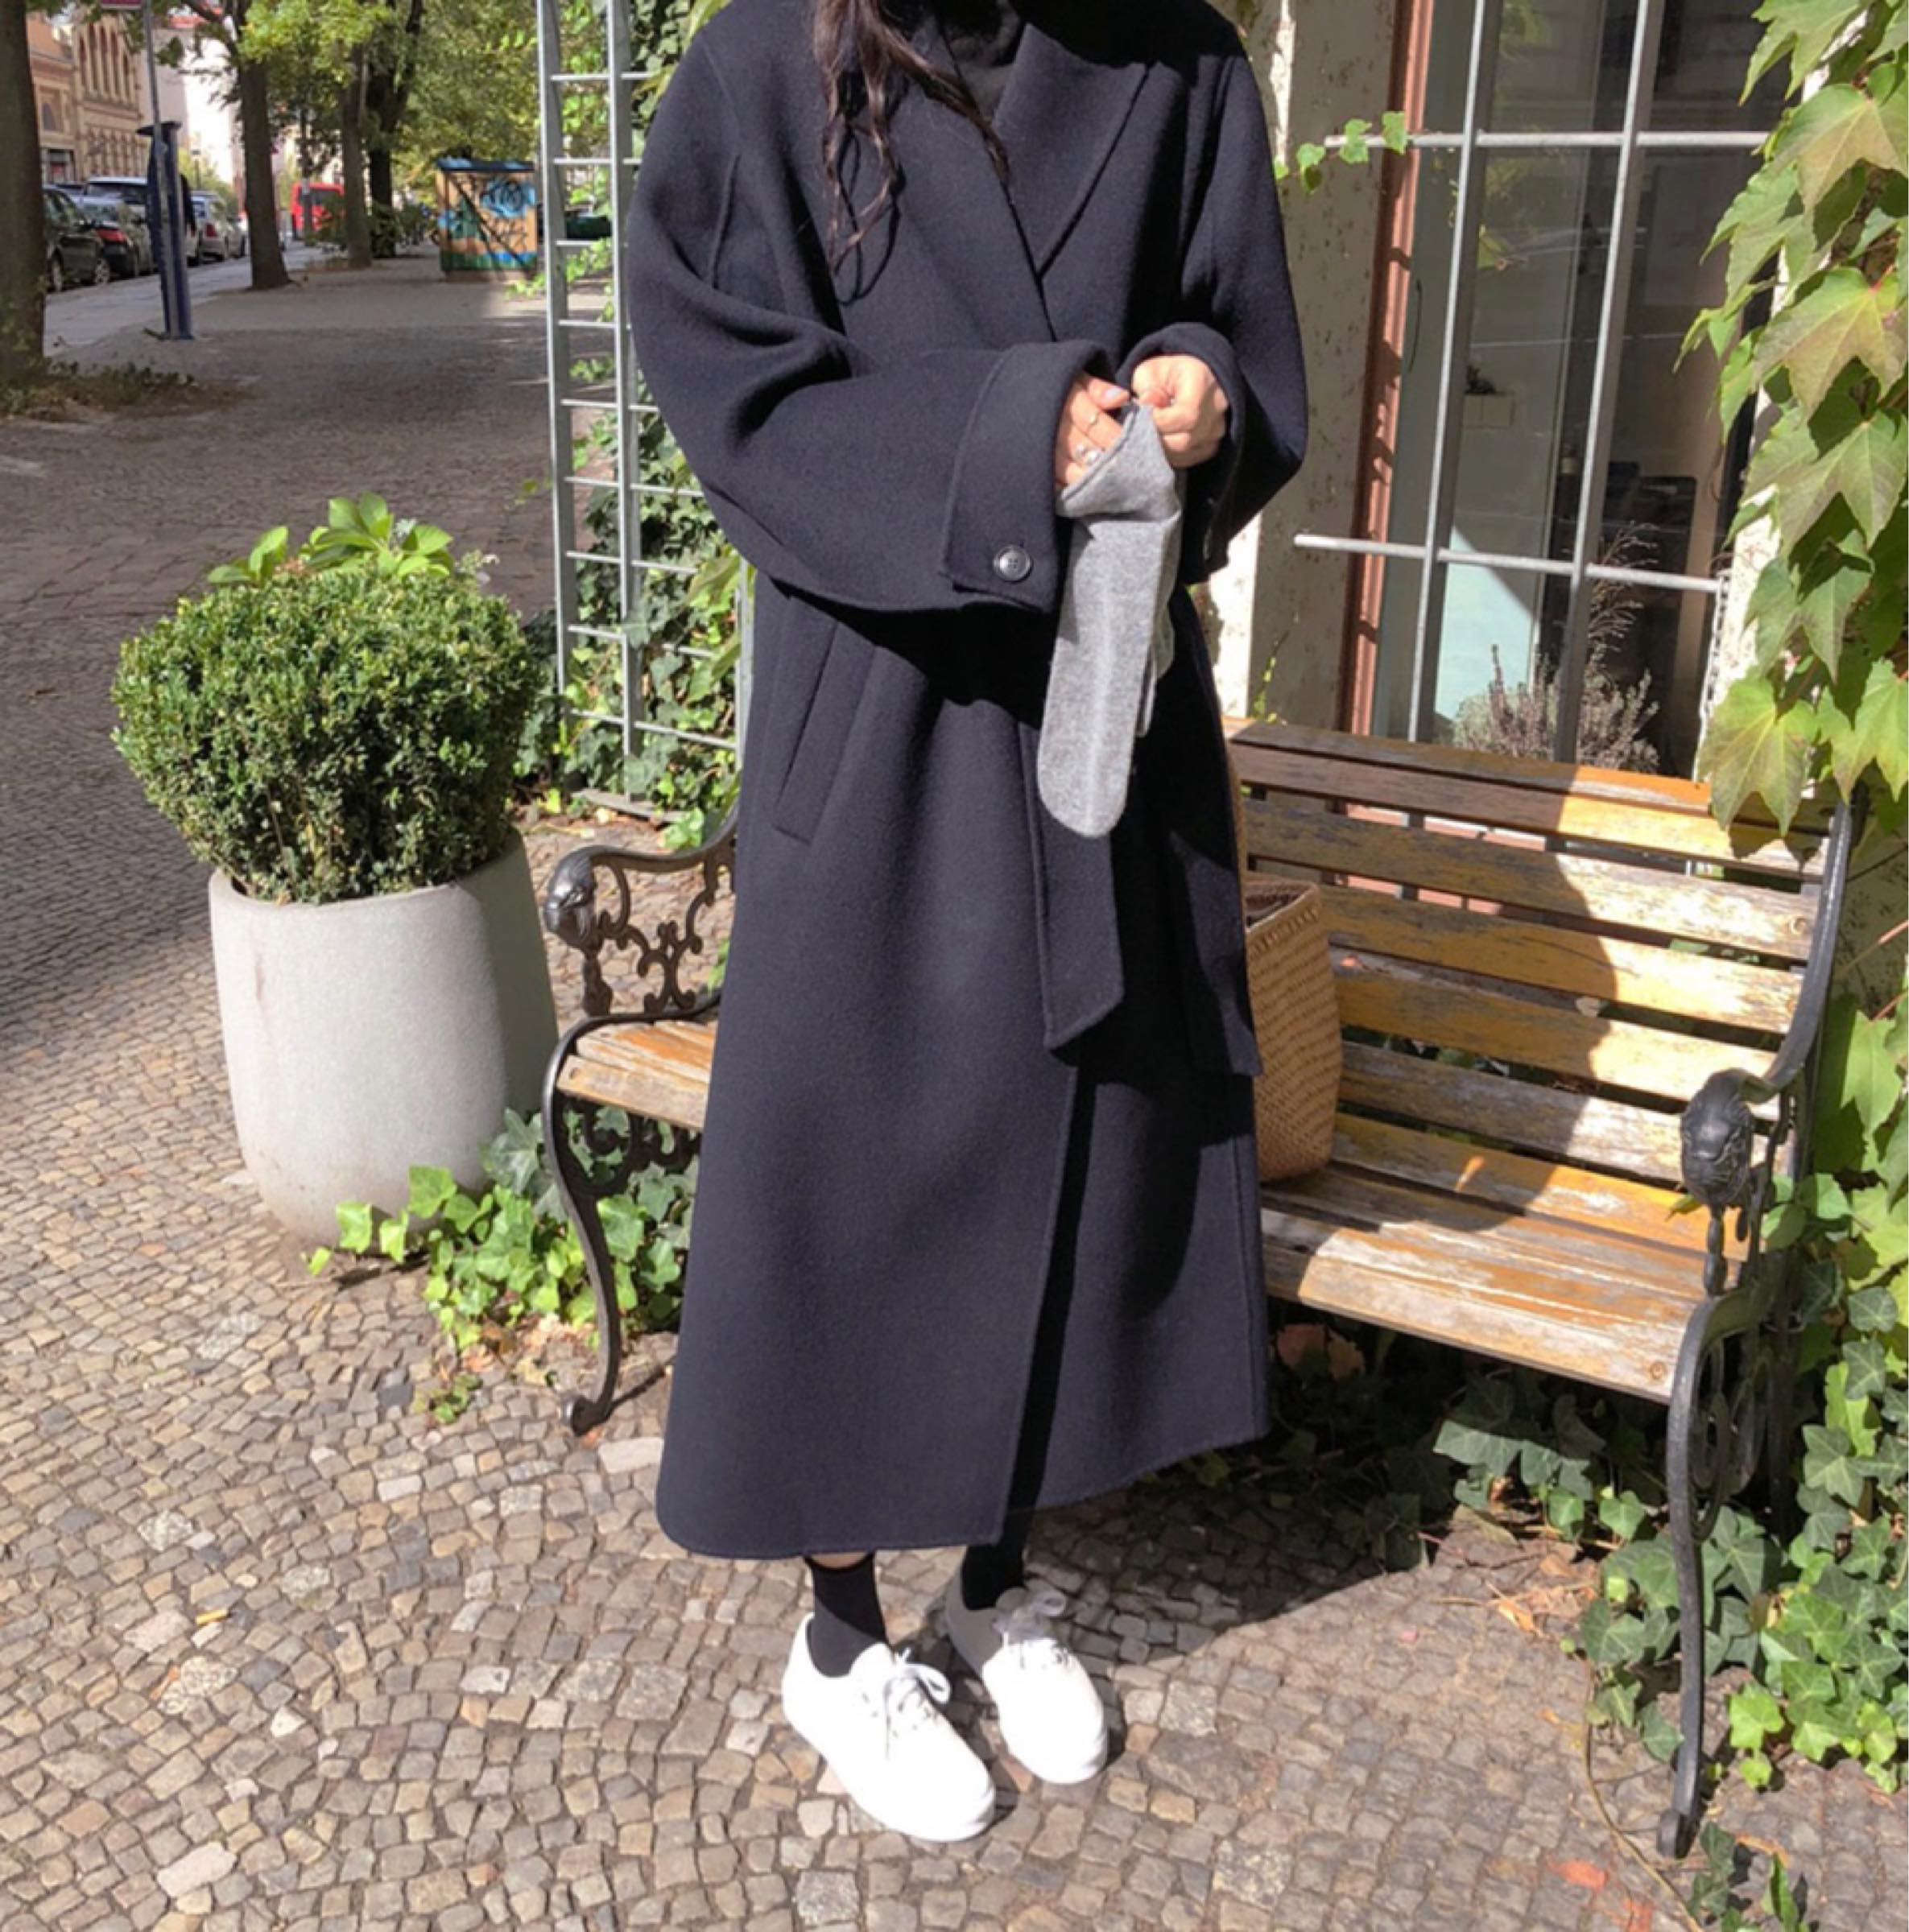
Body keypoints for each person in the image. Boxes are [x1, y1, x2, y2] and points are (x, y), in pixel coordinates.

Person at [620, 0, 1307, 1841]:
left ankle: (993, 1586)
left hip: (1104, 725)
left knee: (1073, 1173)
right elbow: (730, 385)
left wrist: (1197, 391)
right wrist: (1011, 429)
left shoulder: (1176, 58)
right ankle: (841, 1639)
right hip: (882, 730)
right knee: (859, 1193)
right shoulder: (765, 60)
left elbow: (1236, 325)